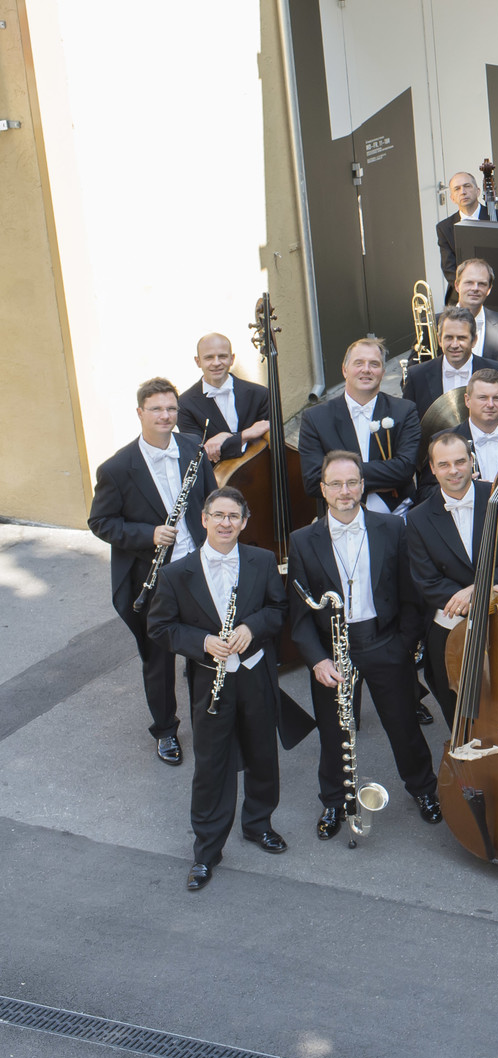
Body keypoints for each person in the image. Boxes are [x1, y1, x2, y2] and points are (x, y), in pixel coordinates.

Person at [288, 452, 438, 841]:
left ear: (362, 485)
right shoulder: (302, 540)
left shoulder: (392, 527)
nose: (345, 491)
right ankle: (334, 801)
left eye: (352, 482)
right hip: (332, 649)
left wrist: (405, 645)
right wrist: (317, 660)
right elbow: (299, 615)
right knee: (334, 730)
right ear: (322, 490)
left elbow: (412, 595)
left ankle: (424, 790)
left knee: (403, 724)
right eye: (335, 484)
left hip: (384, 641)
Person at [148, 487, 292, 891]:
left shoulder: (262, 561)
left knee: (263, 754)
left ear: (244, 522)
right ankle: (207, 850)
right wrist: (203, 642)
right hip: (209, 680)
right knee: (211, 764)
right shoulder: (177, 573)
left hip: (255, 675)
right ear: (204, 519)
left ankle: (258, 824)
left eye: (235, 516)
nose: (226, 523)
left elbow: (278, 610)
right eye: (219, 515)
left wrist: (252, 628)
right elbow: (160, 627)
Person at [90, 377, 219, 763]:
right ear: (140, 413)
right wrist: (149, 534)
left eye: (171, 409)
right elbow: (101, 522)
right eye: (157, 409)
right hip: (154, 575)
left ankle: (214, 722)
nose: (166, 416)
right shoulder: (117, 467)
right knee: (159, 660)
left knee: (208, 647)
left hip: (197, 567)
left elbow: (211, 500)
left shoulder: (191, 448)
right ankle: (165, 730)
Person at [404, 432, 498, 717]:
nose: (453, 471)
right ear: (433, 469)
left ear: (471, 461)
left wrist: (477, 589)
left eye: (460, 462)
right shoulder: (417, 518)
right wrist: (476, 592)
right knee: (457, 710)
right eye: (444, 464)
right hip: (451, 625)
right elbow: (427, 581)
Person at [297, 337, 419, 512]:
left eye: (374, 364)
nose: (366, 370)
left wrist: (338, 478)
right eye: (359, 363)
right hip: (340, 515)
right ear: (344, 370)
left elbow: (405, 469)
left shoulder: (404, 411)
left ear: (383, 372)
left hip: (396, 514)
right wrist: (381, 478)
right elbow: (313, 481)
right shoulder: (315, 418)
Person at [405, 305, 498, 425]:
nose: (454, 344)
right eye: (449, 337)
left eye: (461, 338)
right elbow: (408, 424)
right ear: (439, 340)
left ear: (474, 340)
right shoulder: (417, 375)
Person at [178, 333, 272, 464]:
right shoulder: (185, 404)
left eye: (222, 356)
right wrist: (245, 435)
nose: (216, 363)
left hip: (260, 472)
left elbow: (268, 442)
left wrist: (225, 439)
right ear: (198, 361)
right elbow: (199, 454)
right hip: (217, 479)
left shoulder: (260, 394)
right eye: (209, 357)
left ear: (232, 359)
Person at [451, 258, 498, 389]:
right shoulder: (434, 323)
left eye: (482, 284)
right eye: (469, 282)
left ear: (489, 289)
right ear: (457, 286)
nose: (475, 288)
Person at [435, 168, 498, 295]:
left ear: (478, 191)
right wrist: (468, 289)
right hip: (463, 292)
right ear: (452, 198)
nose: (463, 192)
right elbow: (449, 268)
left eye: (467, 186)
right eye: (457, 189)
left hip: (496, 288)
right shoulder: (444, 227)